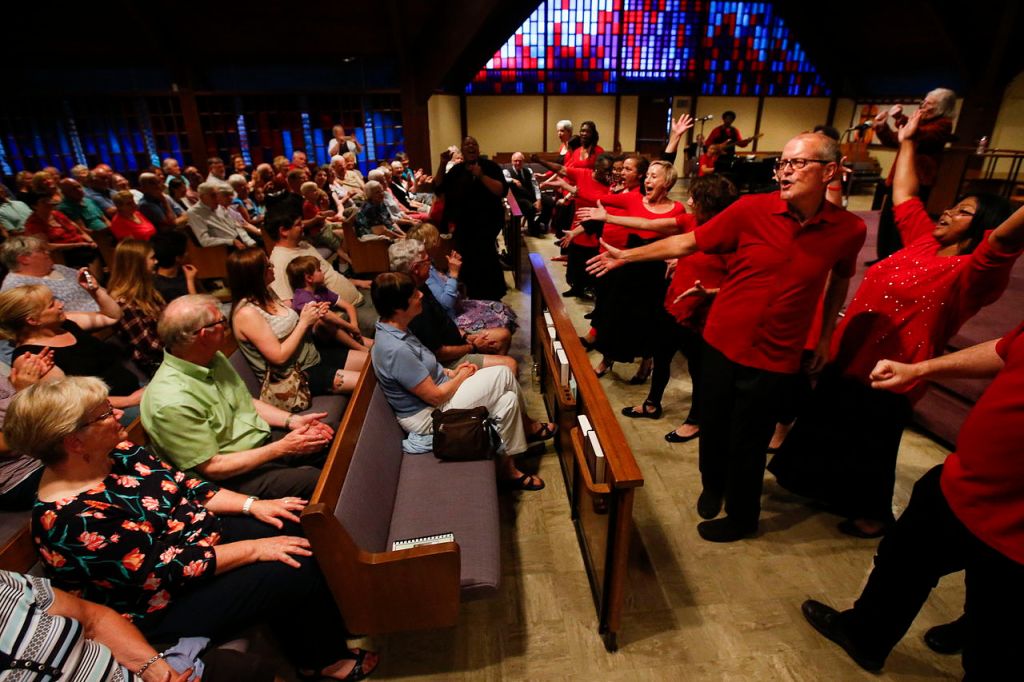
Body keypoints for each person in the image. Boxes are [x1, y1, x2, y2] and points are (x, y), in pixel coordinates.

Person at [587, 133, 865, 542]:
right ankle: (712, 484)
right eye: (781, 162)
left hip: (777, 353)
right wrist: (625, 256)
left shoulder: (847, 229)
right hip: (720, 341)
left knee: (750, 439)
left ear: (829, 171)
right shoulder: (751, 210)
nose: (785, 170)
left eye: (797, 163)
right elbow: (686, 241)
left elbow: (840, 278)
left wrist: (825, 337)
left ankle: (742, 515)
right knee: (713, 425)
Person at [8, 377, 377, 681]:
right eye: (105, 413)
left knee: (295, 524)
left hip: (199, 544)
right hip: (160, 605)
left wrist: (255, 505)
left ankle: (327, 629)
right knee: (292, 563)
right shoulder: (69, 519)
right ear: (74, 441)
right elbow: (165, 570)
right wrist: (256, 549)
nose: (119, 413)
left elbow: (188, 487)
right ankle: (322, 663)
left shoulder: (119, 453)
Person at [767, 109, 1022, 538]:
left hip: (895, 370)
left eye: (962, 212)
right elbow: (905, 193)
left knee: (872, 447)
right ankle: (827, 492)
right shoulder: (924, 240)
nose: (947, 213)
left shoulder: (974, 273)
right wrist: (906, 140)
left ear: (982, 227)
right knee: (830, 427)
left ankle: (874, 516)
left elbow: (1004, 240)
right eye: (952, 206)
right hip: (852, 354)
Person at [801, 323, 1024, 679]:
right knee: (899, 567)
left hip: (1016, 534)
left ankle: (972, 632)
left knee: (999, 640)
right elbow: (1008, 348)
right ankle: (863, 636)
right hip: (960, 485)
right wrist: (919, 368)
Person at [371, 272, 554, 490]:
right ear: (398, 308)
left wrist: (451, 373)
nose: (420, 295)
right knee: (504, 373)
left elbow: (426, 367)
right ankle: (527, 430)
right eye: (413, 295)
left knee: (508, 399)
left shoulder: (396, 328)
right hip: (428, 418)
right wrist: (461, 376)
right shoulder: (395, 348)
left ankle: (508, 468)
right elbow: (434, 396)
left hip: (438, 397)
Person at [141, 294, 334, 498]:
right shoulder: (171, 401)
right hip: (232, 476)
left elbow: (246, 403)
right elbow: (213, 467)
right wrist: (283, 448)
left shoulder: (211, 357)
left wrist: (293, 421)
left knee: (333, 435)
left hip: (262, 441)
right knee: (317, 482)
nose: (227, 326)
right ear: (205, 335)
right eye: (221, 321)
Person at [608, 175, 738, 439]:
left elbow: (742, 284)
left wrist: (710, 292)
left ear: (709, 203)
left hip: (702, 314)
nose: (688, 201)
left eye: (694, 198)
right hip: (674, 304)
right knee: (661, 355)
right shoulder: (690, 222)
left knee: (698, 370)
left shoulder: (730, 237)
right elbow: (647, 223)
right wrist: (607, 218)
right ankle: (652, 404)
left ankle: (696, 420)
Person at [575, 160, 686, 379]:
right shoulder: (633, 198)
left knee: (650, 320)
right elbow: (599, 198)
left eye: (654, 176)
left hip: (655, 271)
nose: (648, 180)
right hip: (630, 264)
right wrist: (573, 188)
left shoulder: (678, 209)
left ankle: (646, 363)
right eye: (647, 176)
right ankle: (607, 359)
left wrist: (677, 259)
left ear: (668, 182)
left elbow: (678, 241)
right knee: (616, 315)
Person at [229, 247, 365, 396]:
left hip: (313, 356)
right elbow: (279, 357)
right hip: (295, 376)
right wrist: (304, 322)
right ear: (255, 275)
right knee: (367, 381)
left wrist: (312, 313)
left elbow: (289, 324)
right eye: (268, 266)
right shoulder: (246, 313)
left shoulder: (267, 293)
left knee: (374, 363)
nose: (273, 267)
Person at [0, 281, 145, 421]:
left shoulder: (63, 324)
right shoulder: (32, 358)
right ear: (33, 320)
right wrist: (128, 401)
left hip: (135, 390)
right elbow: (73, 401)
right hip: (109, 412)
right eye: (52, 305)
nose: (60, 305)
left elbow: (112, 316)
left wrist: (95, 291)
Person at [388, 239, 515, 365]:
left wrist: (466, 337)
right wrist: (473, 347)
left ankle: (491, 374)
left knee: (503, 335)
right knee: (509, 364)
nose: (430, 264)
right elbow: (438, 353)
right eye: (427, 261)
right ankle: (491, 370)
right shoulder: (415, 304)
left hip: (455, 341)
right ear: (416, 268)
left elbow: (444, 320)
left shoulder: (421, 285)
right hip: (447, 360)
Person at [870, 88, 956, 260]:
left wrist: (900, 119)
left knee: (904, 223)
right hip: (898, 177)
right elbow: (895, 140)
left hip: (918, 181)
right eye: (924, 100)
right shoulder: (920, 120)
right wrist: (881, 128)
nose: (924, 104)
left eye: (929, 102)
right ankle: (883, 257)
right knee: (888, 220)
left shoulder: (943, 124)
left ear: (942, 107)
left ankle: (896, 258)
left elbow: (918, 135)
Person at [406, 222, 518, 334]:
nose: (439, 241)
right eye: (436, 238)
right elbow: (446, 303)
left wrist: (451, 270)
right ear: (430, 243)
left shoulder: (431, 262)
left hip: (458, 307)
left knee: (503, 309)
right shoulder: (425, 271)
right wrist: (454, 273)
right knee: (501, 322)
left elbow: (446, 287)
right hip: (451, 320)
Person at [434, 136, 509, 301]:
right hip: (463, 225)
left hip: (486, 224)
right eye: (467, 144)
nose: (471, 146)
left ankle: (492, 297)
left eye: (474, 143)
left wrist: (481, 176)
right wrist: (442, 163)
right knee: (466, 261)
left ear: (478, 149)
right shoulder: (456, 170)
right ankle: (470, 297)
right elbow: (439, 188)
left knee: (486, 259)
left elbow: (501, 191)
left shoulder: (490, 167)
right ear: (462, 150)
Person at [265, 213, 368, 308]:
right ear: (284, 231)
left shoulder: (303, 245)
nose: (303, 226)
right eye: (298, 224)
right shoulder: (279, 262)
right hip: (344, 311)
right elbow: (289, 305)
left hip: (357, 295)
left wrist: (355, 282)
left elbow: (328, 274)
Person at [0, 348, 54, 510]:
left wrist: (33, 373)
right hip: (22, 475)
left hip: (47, 449)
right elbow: (11, 445)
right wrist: (24, 392)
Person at [285, 255, 373, 354]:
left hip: (337, 331)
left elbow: (349, 306)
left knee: (374, 344)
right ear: (309, 278)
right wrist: (350, 327)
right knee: (322, 321)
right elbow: (325, 315)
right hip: (314, 340)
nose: (322, 272)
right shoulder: (301, 296)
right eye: (318, 270)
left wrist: (354, 326)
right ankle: (361, 350)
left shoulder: (321, 290)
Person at [106, 239, 167, 376]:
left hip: (169, 353)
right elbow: (149, 346)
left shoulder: (147, 290)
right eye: (152, 258)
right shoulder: (124, 303)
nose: (156, 262)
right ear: (137, 264)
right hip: (156, 366)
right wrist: (182, 347)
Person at [1, 235, 102, 312]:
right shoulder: (16, 288)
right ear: (24, 259)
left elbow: (94, 286)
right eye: (41, 251)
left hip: (105, 309)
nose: (48, 252)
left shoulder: (59, 268)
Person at [22, 191, 99, 270]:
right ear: (34, 206)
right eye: (44, 202)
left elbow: (79, 230)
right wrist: (78, 244)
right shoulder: (34, 223)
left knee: (98, 245)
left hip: (81, 244)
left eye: (48, 200)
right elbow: (47, 246)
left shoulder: (57, 214)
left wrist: (90, 240)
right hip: (63, 252)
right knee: (87, 254)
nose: (49, 203)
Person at [186, 183, 256, 249]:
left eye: (217, 195)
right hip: (224, 248)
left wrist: (249, 242)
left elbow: (236, 226)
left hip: (239, 241)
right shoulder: (194, 212)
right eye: (213, 195)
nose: (217, 199)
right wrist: (231, 242)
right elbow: (205, 241)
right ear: (202, 197)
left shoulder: (218, 206)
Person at [151, 231, 201, 303]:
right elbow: (196, 309)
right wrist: (190, 281)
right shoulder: (163, 288)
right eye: (186, 250)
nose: (188, 253)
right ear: (178, 258)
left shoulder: (184, 272)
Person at [504, 152, 544, 236]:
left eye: (520, 161)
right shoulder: (506, 171)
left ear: (523, 162)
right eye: (515, 161)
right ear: (512, 161)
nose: (518, 163)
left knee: (549, 202)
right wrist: (513, 180)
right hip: (515, 197)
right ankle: (532, 229)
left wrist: (538, 200)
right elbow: (503, 178)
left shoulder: (528, 170)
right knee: (529, 206)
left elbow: (535, 186)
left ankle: (539, 224)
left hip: (528, 195)